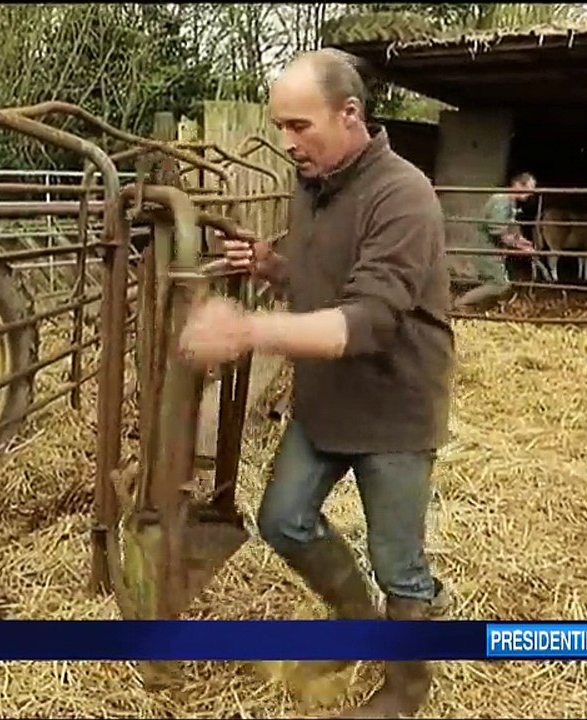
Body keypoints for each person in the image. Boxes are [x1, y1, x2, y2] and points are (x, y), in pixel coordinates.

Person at [177, 49, 454, 719]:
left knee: (399, 565)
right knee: (284, 519)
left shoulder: (403, 195)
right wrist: (274, 267)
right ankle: (354, 625)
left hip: (394, 404)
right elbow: (321, 278)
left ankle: (406, 689)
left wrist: (248, 330)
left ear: (349, 114)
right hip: (328, 396)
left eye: (299, 126)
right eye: (280, 127)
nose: (287, 142)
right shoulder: (314, 185)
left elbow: (365, 321)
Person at [453, 172, 538, 309]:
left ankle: (475, 305)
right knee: (500, 284)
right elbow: (499, 232)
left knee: (498, 281)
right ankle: (461, 303)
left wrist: (523, 242)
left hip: (492, 248)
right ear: (517, 184)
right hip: (485, 247)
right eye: (528, 189)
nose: (530, 194)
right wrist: (520, 247)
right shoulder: (501, 201)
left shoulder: (510, 203)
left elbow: (510, 229)